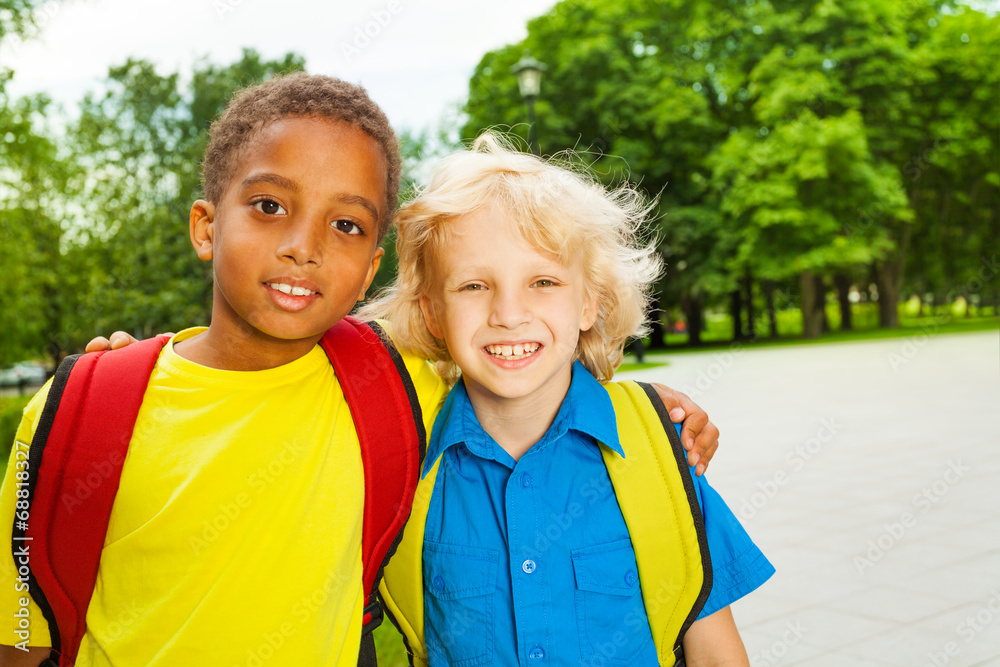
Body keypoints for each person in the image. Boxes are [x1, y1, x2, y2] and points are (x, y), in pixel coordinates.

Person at [0, 75, 719, 667]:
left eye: (345, 224)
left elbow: (519, 371)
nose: (303, 247)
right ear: (206, 224)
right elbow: (20, 635)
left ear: (371, 265)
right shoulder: (83, 410)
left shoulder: (395, 385)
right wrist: (113, 375)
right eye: (269, 205)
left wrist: (646, 408)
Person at [364, 134, 774, 666]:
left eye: (543, 281)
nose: (509, 313)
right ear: (433, 313)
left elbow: (716, 652)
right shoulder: (404, 473)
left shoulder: (661, 454)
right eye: (472, 286)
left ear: (589, 304)